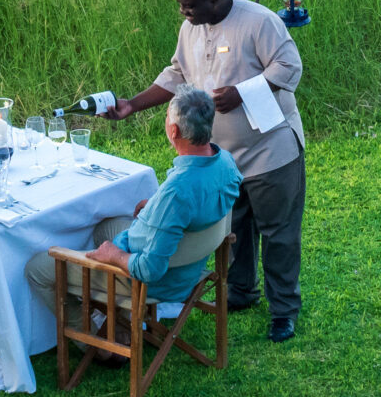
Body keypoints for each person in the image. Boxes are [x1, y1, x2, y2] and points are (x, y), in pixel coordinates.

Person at [101, 0, 307, 340]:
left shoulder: (259, 22)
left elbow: (290, 66)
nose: (184, 13)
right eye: (181, 6)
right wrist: (133, 104)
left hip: (269, 151)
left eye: (190, 7)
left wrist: (241, 92)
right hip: (222, 157)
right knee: (236, 224)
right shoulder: (191, 29)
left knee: (278, 232)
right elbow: (177, 73)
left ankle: (284, 311)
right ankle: (242, 291)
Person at [31, 85, 243, 339]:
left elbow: (149, 269)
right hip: (191, 265)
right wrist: (156, 204)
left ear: (173, 130)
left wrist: (114, 254)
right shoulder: (225, 162)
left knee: (38, 268)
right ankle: (121, 325)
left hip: (157, 281)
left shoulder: (177, 193)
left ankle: (97, 344)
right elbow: (197, 203)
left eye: (167, 117)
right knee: (105, 227)